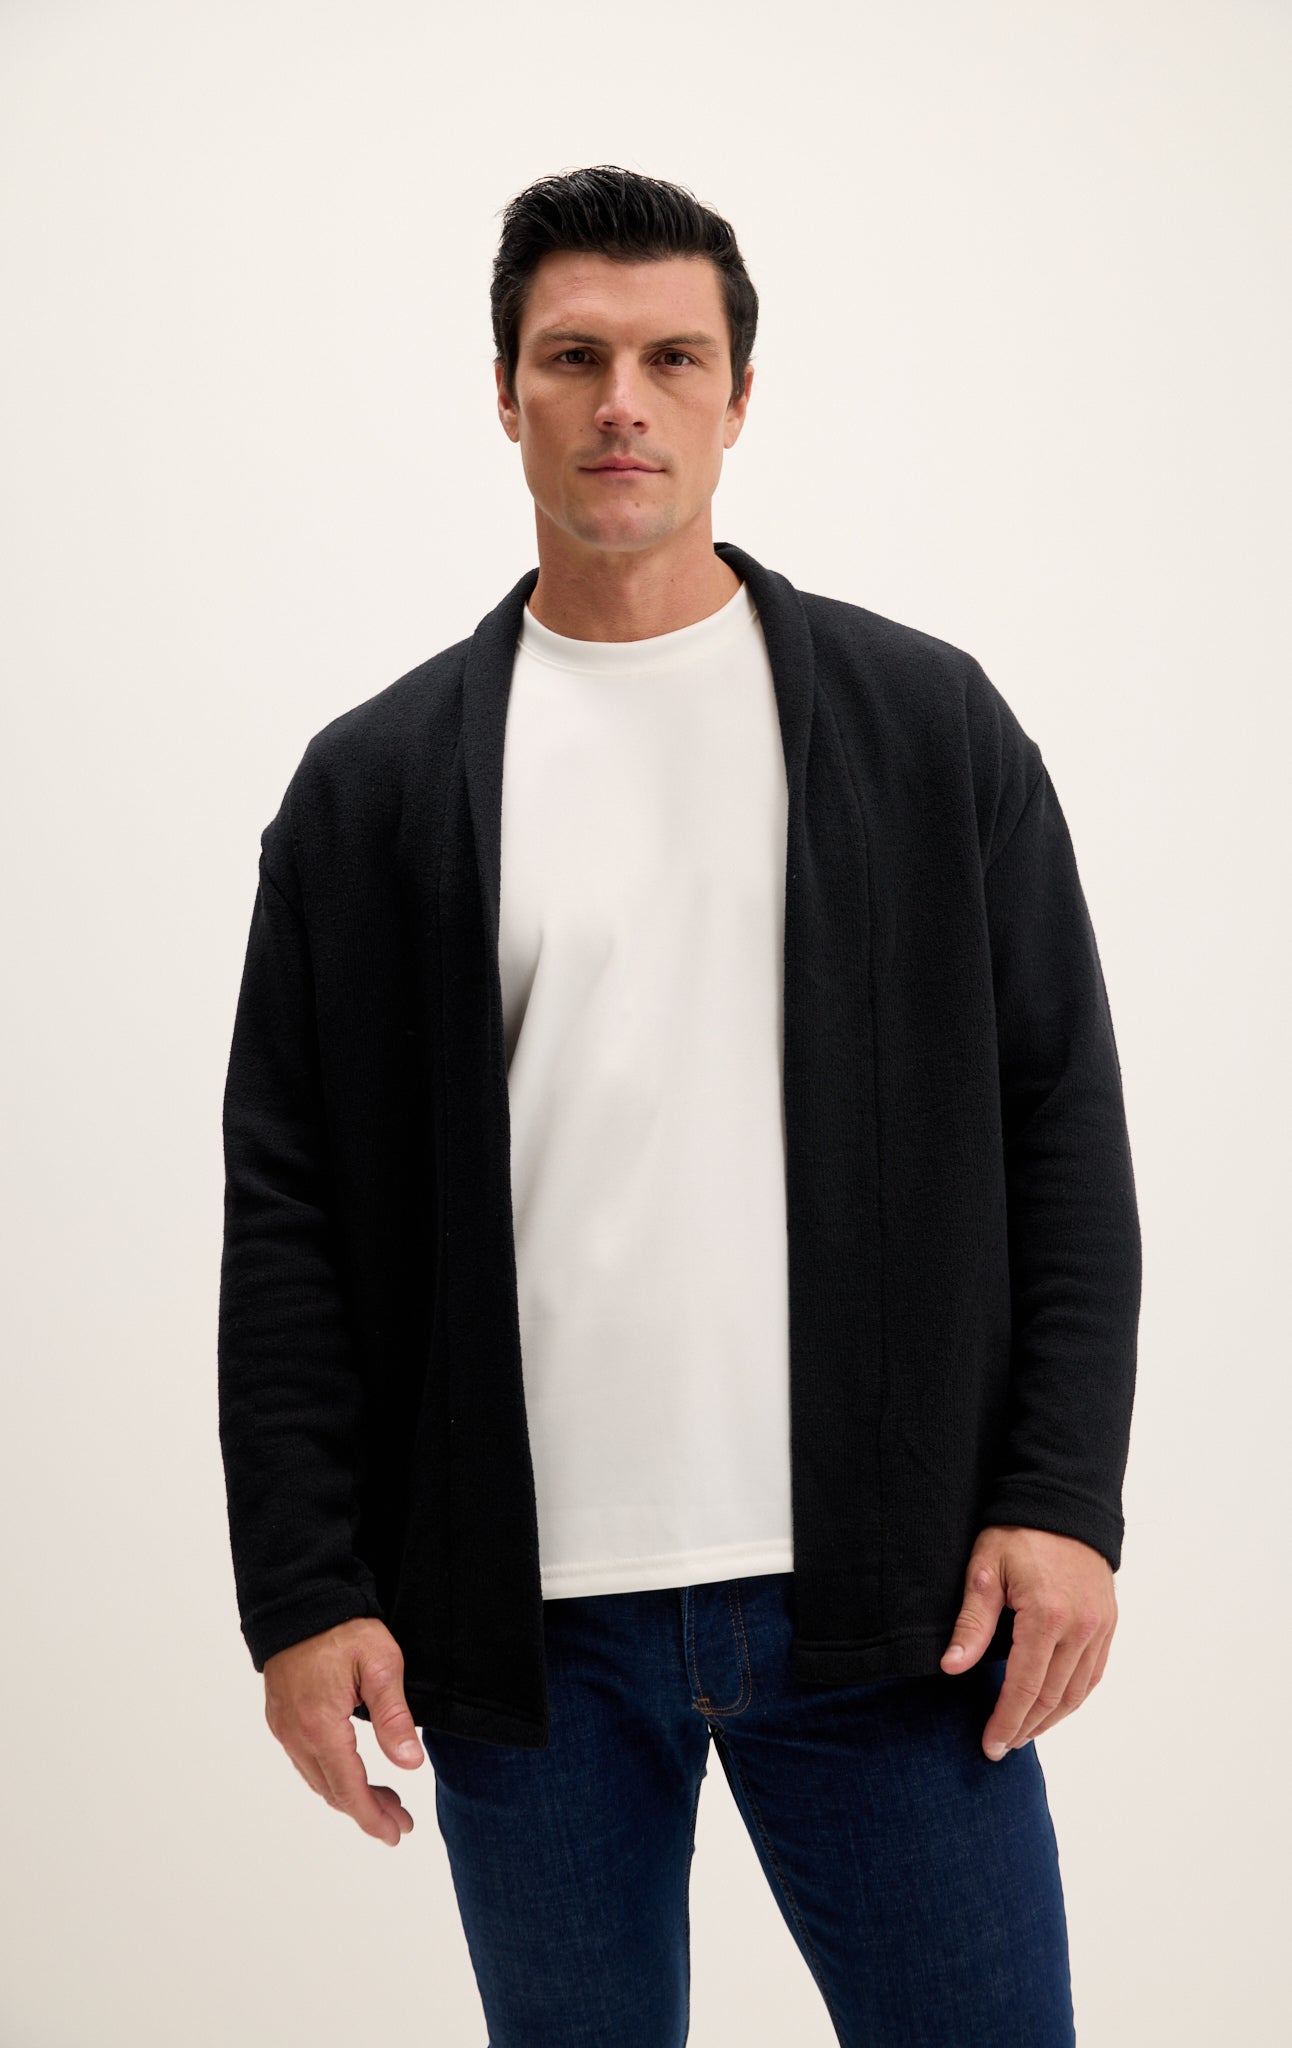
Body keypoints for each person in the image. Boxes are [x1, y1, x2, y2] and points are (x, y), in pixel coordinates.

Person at [218, 164, 1142, 2045]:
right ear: (507, 395)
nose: (621, 402)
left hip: (891, 1605)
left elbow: (1064, 1133)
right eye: (574, 358)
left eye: (670, 358)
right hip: (521, 1633)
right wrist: (304, 1590)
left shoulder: (924, 729)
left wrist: (1062, 1498)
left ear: (738, 397)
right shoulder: (373, 789)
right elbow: (288, 1216)